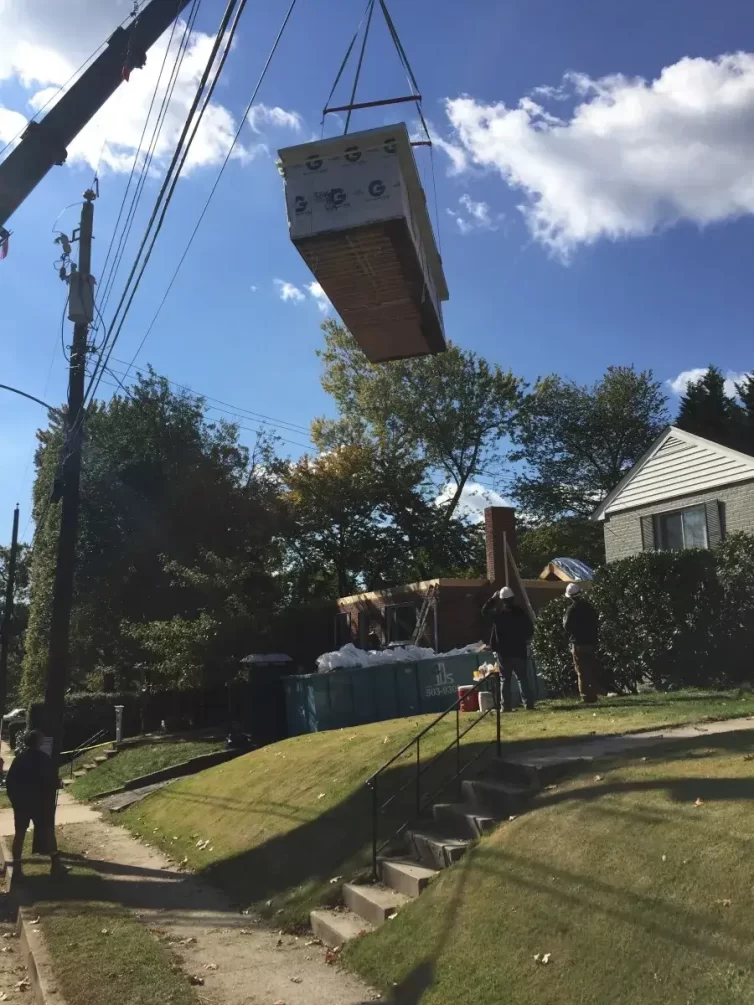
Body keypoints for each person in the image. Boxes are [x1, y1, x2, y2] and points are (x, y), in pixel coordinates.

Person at [5, 730, 65, 879]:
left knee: (19, 835)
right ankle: (55, 864)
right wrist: (58, 784)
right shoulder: (43, 758)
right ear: (38, 742)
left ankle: (17, 869)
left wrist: (15, 800)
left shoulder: (19, 759)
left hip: (22, 804)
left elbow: (10, 782)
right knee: (47, 832)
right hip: (40, 803)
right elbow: (50, 780)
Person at [481, 586, 536, 711]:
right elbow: (530, 630)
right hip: (519, 651)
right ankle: (529, 704)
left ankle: (505, 706)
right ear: (513, 598)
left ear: (502, 600)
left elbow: (484, 611)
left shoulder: (499, 614)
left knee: (505, 680)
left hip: (504, 653)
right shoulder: (520, 612)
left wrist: (492, 599)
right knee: (523, 678)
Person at [563, 583, 600, 704]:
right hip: (591, 642)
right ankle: (593, 694)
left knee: (581, 671)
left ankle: (585, 696)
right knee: (591, 668)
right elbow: (596, 621)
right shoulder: (589, 607)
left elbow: (566, 626)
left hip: (578, 643)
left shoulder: (571, 610)